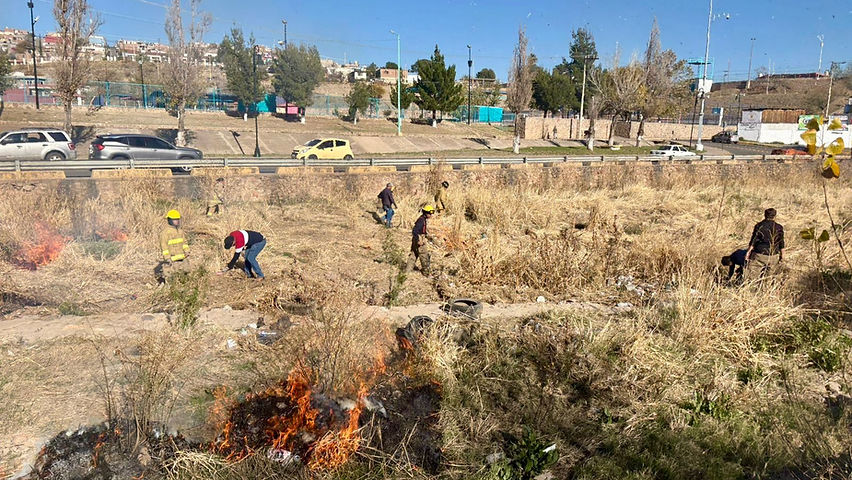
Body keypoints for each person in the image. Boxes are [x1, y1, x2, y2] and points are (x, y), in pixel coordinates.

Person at [745, 208, 785, 281]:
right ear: (775, 216)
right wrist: (782, 255)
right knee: (769, 279)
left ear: (764, 215)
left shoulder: (759, 226)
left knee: (752, 278)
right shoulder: (779, 227)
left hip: (759, 255)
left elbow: (753, 240)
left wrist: (748, 252)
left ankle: (752, 290)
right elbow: (781, 242)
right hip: (773, 256)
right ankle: (765, 290)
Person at [155, 209, 191, 284]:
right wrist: (167, 258)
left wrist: (187, 250)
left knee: (185, 273)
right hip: (172, 259)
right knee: (171, 276)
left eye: (177, 219)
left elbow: (184, 242)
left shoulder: (180, 231)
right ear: (170, 220)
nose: (177, 221)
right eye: (174, 220)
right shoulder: (165, 232)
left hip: (182, 258)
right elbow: (164, 246)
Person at [407, 205, 435, 274]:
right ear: (426, 213)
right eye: (430, 213)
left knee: (413, 254)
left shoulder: (422, 219)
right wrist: (419, 240)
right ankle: (426, 273)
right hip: (419, 238)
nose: (431, 215)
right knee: (424, 256)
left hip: (417, 238)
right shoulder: (421, 221)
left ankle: (407, 270)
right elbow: (415, 231)